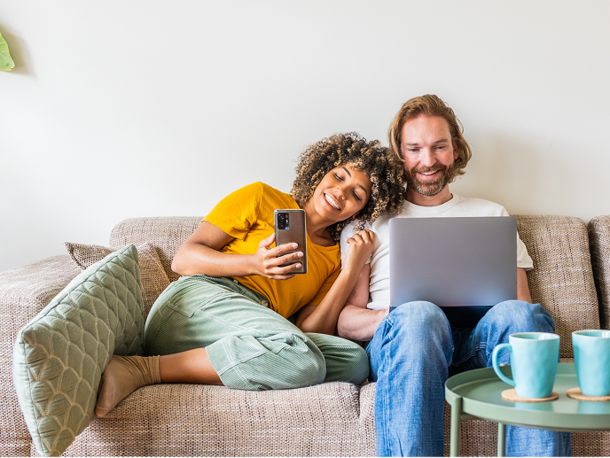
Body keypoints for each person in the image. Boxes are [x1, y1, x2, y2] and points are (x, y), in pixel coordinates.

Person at [95, 132, 404, 417]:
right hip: (197, 304)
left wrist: (350, 271)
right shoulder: (262, 198)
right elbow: (184, 259)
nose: (340, 192)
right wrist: (254, 264)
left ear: (361, 211)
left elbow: (312, 328)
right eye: (338, 176)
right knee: (302, 358)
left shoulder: (332, 257)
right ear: (322, 170)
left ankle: (236, 362)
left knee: (354, 361)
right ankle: (141, 370)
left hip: (255, 328)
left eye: (356, 193)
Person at [337, 95, 572, 457]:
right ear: (399, 155)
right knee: (420, 315)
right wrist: (398, 315)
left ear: (456, 150)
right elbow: (347, 321)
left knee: (521, 316)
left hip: (474, 347)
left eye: (439, 147)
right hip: (404, 345)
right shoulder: (371, 221)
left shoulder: (492, 215)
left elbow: (521, 311)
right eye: (414, 148)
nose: (427, 161)